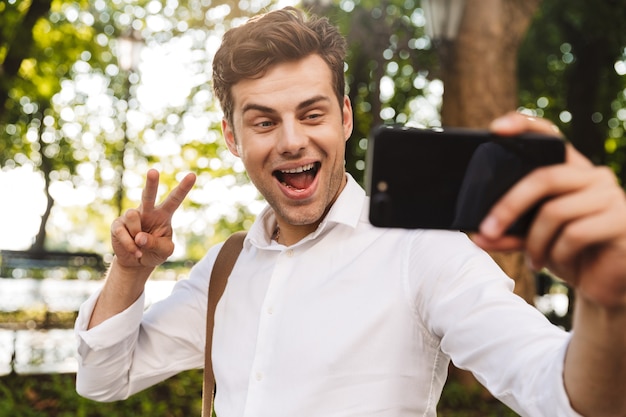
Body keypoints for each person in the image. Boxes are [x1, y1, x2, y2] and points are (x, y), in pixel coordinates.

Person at [75, 7, 626, 417]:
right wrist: (130, 271)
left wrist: (610, 304)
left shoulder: (424, 251)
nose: (292, 141)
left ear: (343, 117)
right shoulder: (225, 269)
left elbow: (562, 395)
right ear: (232, 137)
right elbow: (103, 376)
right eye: (264, 122)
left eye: (311, 113)